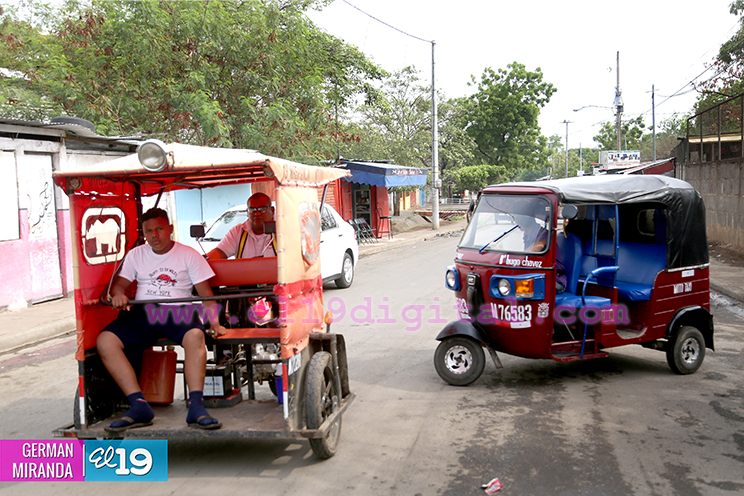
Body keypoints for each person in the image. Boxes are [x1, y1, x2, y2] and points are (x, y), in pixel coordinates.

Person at [96, 208, 227, 433]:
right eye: (149, 231)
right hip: (143, 313)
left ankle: (196, 407)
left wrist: (214, 323)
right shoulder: (136, 254)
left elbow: (206, 294)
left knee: (195, 337)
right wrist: (119, 294)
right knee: (105, 341)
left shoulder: (188, 254)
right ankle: (138, 404)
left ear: (170, 229)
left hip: (178, 312)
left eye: (159, 229)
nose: (154, 235)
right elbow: (119, 285)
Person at [206, 192, 276, 260]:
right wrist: (204, 259)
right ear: (247, 213)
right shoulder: (238, 231)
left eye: (262, 209)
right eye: (252, 210)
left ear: (272, 210)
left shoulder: (283, 231)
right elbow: (219, 253)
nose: (257, 213)